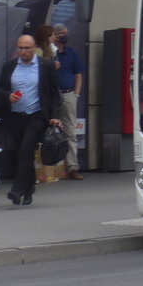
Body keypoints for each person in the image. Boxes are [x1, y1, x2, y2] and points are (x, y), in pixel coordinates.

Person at [0, 35, 62, 206]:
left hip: (37, 116)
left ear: (34, 48)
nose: (23, 52)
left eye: (27, 48)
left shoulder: (45, 66)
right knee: (22, 153)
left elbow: (54, 93)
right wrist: (8, 96)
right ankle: (29, 189)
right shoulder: (9, 66)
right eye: (21, 48)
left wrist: (54, 116)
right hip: (16, 116)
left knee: (26, 149)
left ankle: (17, 191)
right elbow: (0, 88)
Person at [51, 23, 85, 179]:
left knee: (70, 131)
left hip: (68, 94)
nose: (66, 35)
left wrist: (76, 94)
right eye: (63, 33)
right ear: (56, 35)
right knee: (48, 130)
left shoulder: (71, 53)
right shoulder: (49, 53)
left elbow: (78, 75)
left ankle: (72, 167)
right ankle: (49, 167)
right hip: (52, 95)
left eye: (67, 32)